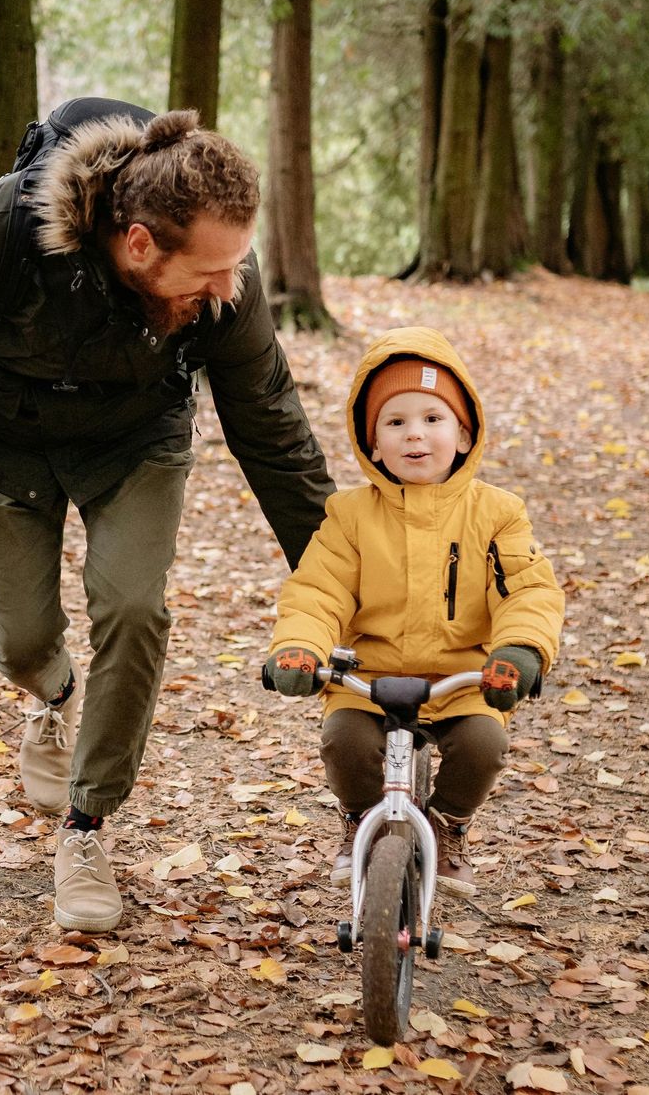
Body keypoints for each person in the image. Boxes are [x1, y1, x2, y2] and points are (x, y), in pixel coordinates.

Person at [0, 99, 334, 932]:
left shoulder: (225, 285)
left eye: (235, 267)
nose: (228, 287)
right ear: (139, 243)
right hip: (3, 435)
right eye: (210, 270)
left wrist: (339, 574)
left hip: (134, 440)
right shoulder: (4, 227)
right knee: (26, 638)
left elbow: (272, 427)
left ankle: (85, 827)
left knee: (134, 605)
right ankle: (52, 691)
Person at [263, 326, 563, 895]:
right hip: (369, 676)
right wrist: (299, 647)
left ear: (464, 431)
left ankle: (448, 823)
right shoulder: (349, 515)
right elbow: (317, 590)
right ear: (372, 443)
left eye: (432, 418)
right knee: (343, 742)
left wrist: (520, 649)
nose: (415, 435)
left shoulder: (498, 513)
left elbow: (527, 590)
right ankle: (359, 817)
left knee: (483, 743)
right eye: (395, 422)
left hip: (464, 676)